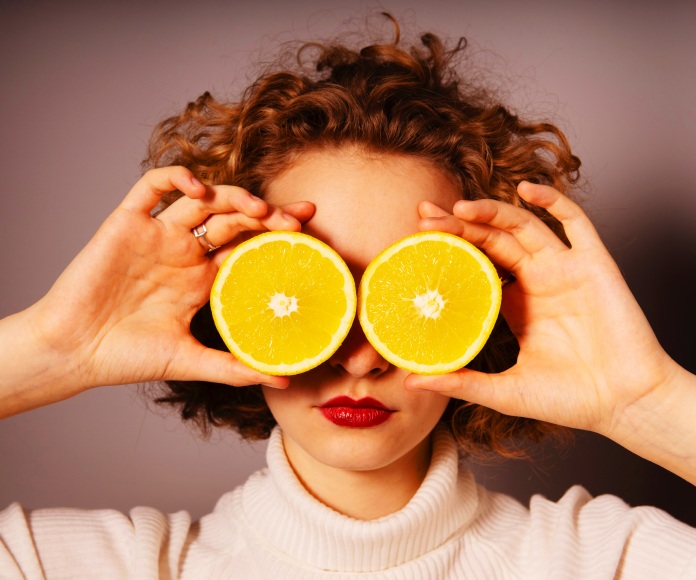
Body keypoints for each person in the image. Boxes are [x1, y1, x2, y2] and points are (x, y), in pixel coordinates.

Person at [1, 15, 695, 579]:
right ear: (232, 298)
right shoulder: (92, 567)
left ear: (484, 303)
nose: (360, 358)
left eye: (408, 289)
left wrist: (645, 402)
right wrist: (56, 350)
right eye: (314, 287)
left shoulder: (610, 561)